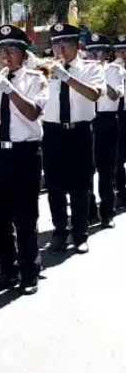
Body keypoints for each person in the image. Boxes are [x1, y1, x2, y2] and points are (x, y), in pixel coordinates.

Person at [0, 25, 49, 295]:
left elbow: (33, 113)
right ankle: (7, 269)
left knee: (25, 215)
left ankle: (29, 270)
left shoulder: (36, 78)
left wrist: (9, 89)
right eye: (1, 50)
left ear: (24, 54)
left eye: (11, 50)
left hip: (24, 153)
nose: (5, 56)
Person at [43, 23, 104, 255]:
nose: (59, 49)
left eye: (65, 43)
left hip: (79, 132)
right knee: (55, 187)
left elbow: (94, 94)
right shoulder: (45, 68)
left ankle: (80, 234)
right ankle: (59, 231)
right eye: (55, 44)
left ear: (77, 45)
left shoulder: (90, 67)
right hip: (52, 132)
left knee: (80, 185)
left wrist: (66, 77)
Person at [85, 34, 123, 228]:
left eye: (98, 51)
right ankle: (89, 211)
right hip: (86, 121)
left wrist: (100, 79)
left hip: (106, 121)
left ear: (107, 54)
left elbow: (116, 94)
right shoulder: (82, 70)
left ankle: (107, 212)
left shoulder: (114, 70)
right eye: (90, 51)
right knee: (86, 170)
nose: (93, 55)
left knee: (106, 170)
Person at [113, 35, 126, 205]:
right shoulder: (111, 69)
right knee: (118, 156)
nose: (122, 54)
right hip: (119, 115)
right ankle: (121, 192)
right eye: (118, 50)